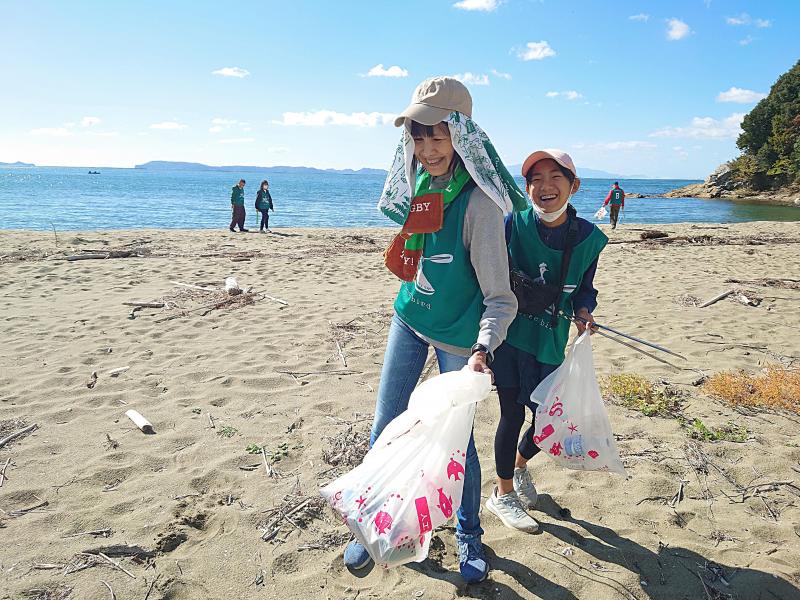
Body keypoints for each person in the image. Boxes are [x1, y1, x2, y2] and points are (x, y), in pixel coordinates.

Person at [344, 76, 527, 583]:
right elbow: (421, 249)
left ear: (462, 135)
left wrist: (483, 349)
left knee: (460, 445)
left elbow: (499, 297)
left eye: (437, 136)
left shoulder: (480, 206)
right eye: (418, 136)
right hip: (410, 317)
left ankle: (469, 536)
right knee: (386, 425)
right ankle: (369, 524)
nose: (426, 149)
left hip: (459, 338)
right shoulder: (422, 179)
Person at [486, 150, 608, 533]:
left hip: (550, 341)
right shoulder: (512, 224)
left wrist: (585, 311)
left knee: (544, 423)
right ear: (527, 188)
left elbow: (585, 289)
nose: (545, 186)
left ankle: (520, 467)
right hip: (510, 338)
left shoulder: (589, 238)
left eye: (556, 176)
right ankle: (502, 493)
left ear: (574, 185)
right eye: (535, 178)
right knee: (511, 415)